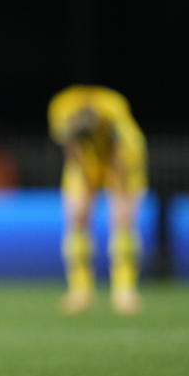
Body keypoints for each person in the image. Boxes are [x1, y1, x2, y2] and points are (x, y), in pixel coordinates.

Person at [48, 85, 147, 315]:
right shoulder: (61, 107)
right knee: (77, 217)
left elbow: (119, 158)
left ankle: (124, 289)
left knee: (122, 220)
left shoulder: (118, 119)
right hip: (87, 160)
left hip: (121, 160)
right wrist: (83, 183)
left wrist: (120, 195)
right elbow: (70, 148)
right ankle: (80, 290)